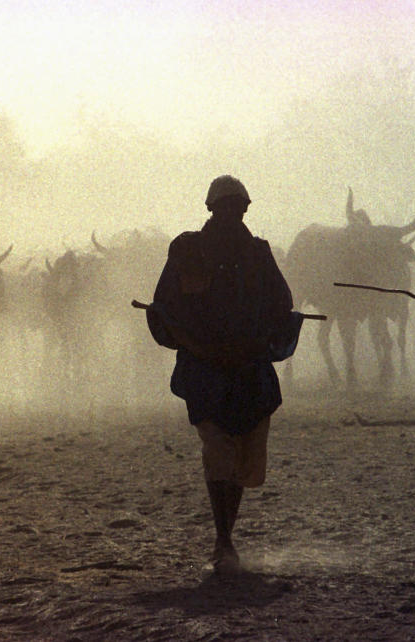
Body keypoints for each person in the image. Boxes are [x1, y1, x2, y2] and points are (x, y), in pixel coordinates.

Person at [146, 175, 303, 574]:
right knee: (219, 452)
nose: (234, 212)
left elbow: (280, 305)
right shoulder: (188, 251)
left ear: (247, 209)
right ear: (211, 209)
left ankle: (225, 537)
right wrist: (200, 347)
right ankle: (223, 540)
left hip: (250, 369)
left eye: (239, 206)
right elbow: (165, 308)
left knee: (246, 459)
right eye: (226, 206)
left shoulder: (258, 253)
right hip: (206, 371)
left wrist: (260, 339)